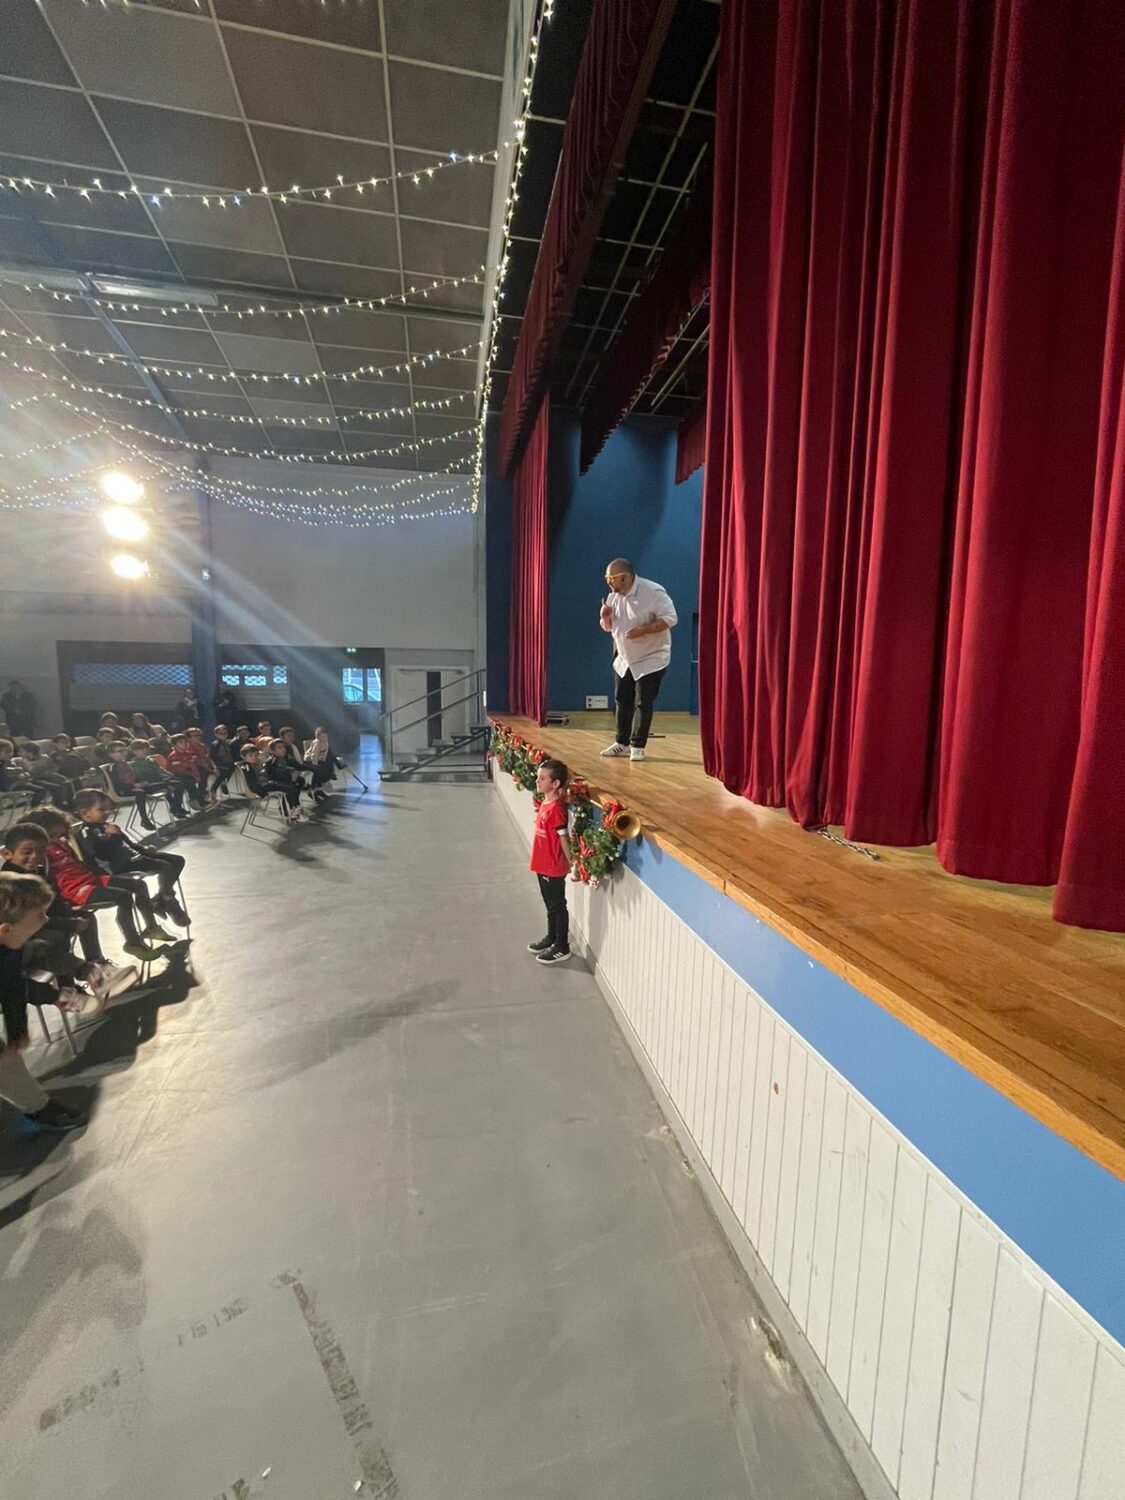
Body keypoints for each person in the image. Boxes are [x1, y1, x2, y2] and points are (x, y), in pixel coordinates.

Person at [1, 821, 137, 1007]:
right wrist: (68, 923)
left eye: (40, 851)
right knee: (57, 937)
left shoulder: (37, 871)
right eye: (27, 852)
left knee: (86, 917)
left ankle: (98, 964)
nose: (34, 857)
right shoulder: (10, 883)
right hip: (24, 935)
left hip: (44, 922)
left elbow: (52, 902)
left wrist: (70, 915)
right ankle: (78, 983)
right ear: (7, 854)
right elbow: (26, 921)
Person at [0, 872, 88, 1134]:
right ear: (5, 929)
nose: (46, 920)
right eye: (40, 916)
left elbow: (13, 986)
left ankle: (37, 1107)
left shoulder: (10, 943)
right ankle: (37, 1108)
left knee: (6, 1059)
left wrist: (16, 1030)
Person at [37, 805, 173, 962]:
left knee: (139, 885)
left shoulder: (61, 844)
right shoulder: (41, 852)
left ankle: (151, 927)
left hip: (91, 878)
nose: (61, 832)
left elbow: (79, 864)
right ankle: (132, 942)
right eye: (56, 831)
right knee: (123, 897)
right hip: (75, 890)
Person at [598, 558, 677, 762]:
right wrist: (605, 617)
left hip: (651, 656)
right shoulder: (614, 597)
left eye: (612, 578)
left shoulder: (653, 591)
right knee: (622, 700)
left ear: (625, 577)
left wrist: (644, 630)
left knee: (643, 701)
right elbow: (609, 628)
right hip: (625, 657)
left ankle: (637, 745)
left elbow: (671, 618)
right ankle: (621, 743)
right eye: (607, 578)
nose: (609, 583)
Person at [73, 791, 189, 929]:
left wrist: (143, 849)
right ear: (85, 813)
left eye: (108, 809)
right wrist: (113, 836)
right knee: (165, 867)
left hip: (131, 856)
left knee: (177, 860)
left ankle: (161, 898)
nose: (107, 812)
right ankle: (168, 900)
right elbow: (101, 853)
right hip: (119, 864)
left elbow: (127, 843)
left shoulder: (106, 825)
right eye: (101, 809)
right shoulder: (86, 832)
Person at [527, 758, 574, 965]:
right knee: (549, 904)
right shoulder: (545, 803)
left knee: (557, 905)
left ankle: (562, 946)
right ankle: (551, 937)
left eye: (542, 778)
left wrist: (571, 862)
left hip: (552, 866)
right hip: (541, 863)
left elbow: (563, 838)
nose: (537, 781)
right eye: (538, 777)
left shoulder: (556, 809)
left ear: (555, 784)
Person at [241, 743, 306, 822]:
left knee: (289, 786)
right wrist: (262, 792)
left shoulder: (251, 765)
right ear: (244, 756)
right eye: (250, 756)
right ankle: (292, 810)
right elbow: (252, 783)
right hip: (262, 787)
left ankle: (291, 808)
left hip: (264, 784)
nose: (253, 758)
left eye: (255, 755)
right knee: (289, 788)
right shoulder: (247, 767)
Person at [128, 740, 188, 819]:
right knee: (172, 785)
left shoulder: (151, 760)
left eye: (146, 749)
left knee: (179, 783)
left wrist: (170, 775)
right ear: (134, 751)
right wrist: (161, 777)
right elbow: (143, 776)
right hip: (150, 784)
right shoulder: (134, 764)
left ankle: (176, 807)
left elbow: (161, 770)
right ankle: (175, 807)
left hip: (160, 780)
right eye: (142, 749)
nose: (145, 751)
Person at [106, 740, 158, 830]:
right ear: (111, 754)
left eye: (124, 750)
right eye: (120, 751)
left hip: (135, 786)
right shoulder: (112, 767)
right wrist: (134, 786)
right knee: (140, 793)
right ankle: (144, 819)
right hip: (124, 790)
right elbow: (118, 784)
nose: (124, 753)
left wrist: (142, 782)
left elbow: (134, 777)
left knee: (158, 785)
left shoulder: (126, 763)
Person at [14, 742, 72, 806]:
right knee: (56, 788)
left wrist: (49, 773)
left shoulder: (44, 758)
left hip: (48, 776)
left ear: (29, 752)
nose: (19, 753)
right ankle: (58, 805)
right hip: (35, 780)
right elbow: (25, 774)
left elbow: (53, 769)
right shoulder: (22, 762)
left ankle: (66, 800)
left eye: (21, 751)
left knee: (64, 780)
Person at [0, 738, 46, 807]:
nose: (11, 754)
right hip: (8, 787)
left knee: (40, 784)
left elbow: (10, 772)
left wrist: (22, 774)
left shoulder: (5, 762)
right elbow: (3, 780)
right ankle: (33, 810)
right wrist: (17, 777)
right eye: (7, 752)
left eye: (11, 751)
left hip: (15, 783)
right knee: (41, 790)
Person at [166, 733, 207, 809]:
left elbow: (192, 765)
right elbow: (179, 770)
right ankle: (194, 800)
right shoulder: (173, 756)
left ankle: (199, 799)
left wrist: (197, 774)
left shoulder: (188, 754)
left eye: (185, 742)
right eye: (181, 742)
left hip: (188, 774)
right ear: (174, 745)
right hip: (175, 775)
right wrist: (193, 775)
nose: (184, 744)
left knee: (201, 776)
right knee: (189, 781)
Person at [304, 726, 343, 801]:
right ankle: (313, 791)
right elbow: (314, 755)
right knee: (318, 772)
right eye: (319, 736)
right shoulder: (317, 743)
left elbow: (325, 754)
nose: (323, 738)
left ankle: (320, 790)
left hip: (320, 760)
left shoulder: (325, 743)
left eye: (325, 737)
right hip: (311, 761)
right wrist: (315, 766)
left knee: (325, 770)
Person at [209, 724, 237, 794]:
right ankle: (215, 787)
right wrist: (214, 766)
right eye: (221, 734)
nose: (224, 735)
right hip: (219, 764)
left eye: (225, 733)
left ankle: (224, 782)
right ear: (216, 734)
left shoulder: (228, 743)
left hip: (229, 763)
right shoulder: (215, 744)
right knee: (224, 771)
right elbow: (211, 756)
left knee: (233, 767)